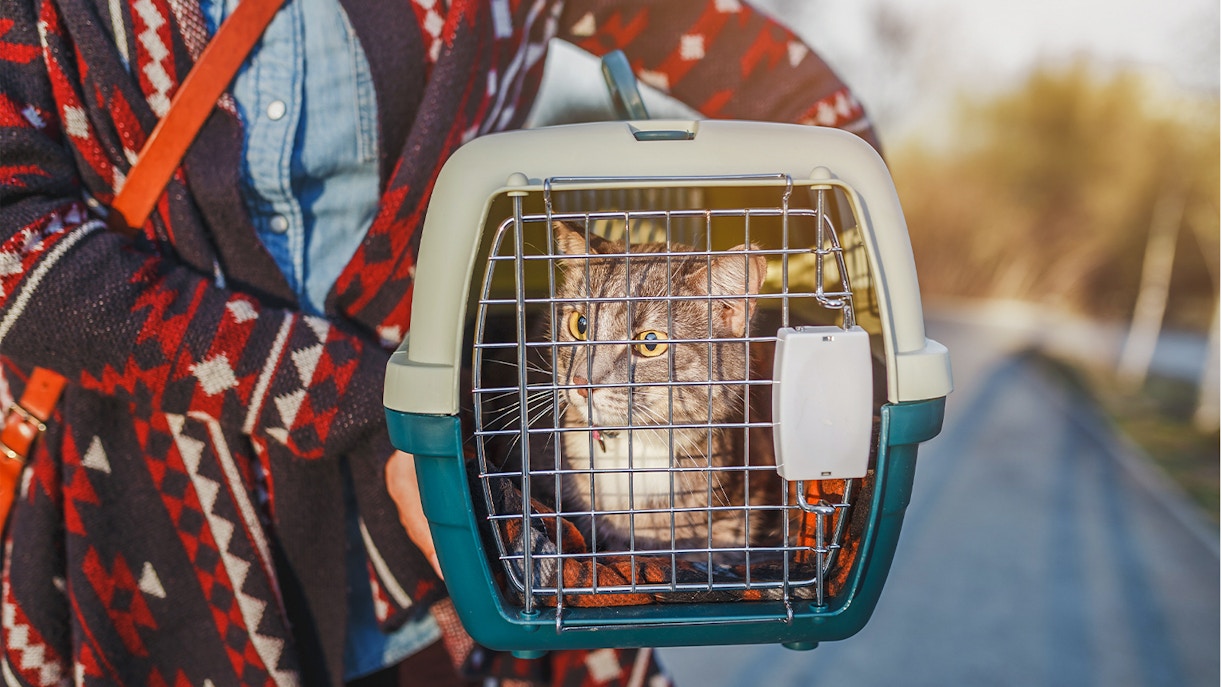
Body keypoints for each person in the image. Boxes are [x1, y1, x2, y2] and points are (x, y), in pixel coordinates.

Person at [0, 0, 878, 684]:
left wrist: (843, 340)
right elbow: (13, 235)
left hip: (449, 558)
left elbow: (792, 94)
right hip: (134, 538)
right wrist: (374, 409)